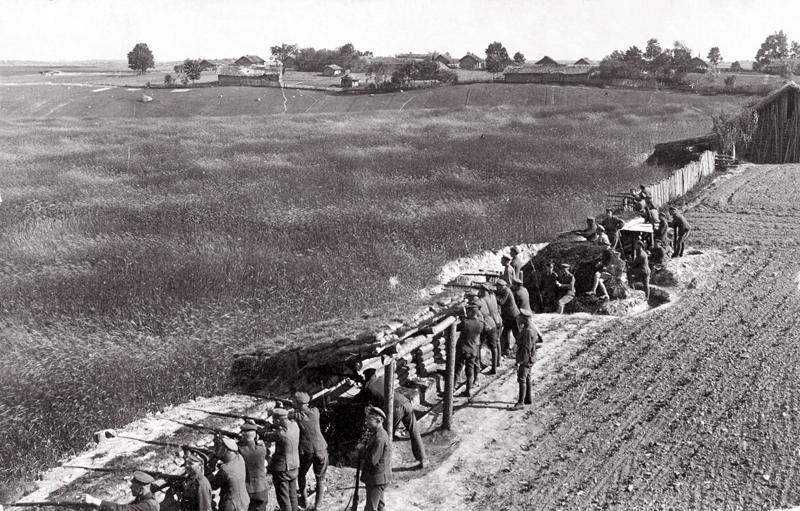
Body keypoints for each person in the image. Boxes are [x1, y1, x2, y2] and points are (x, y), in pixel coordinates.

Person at [354, 368, 427, 469]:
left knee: (386, 436)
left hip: (395, 409)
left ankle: (385, 464)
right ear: (375, 375)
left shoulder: (368, 387)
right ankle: (423, 459)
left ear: (366, 377)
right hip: (406, 402)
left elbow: (357, 399)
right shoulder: (382, 378)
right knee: (413, 431)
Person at [289, 391, 329, 511]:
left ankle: (305, 499)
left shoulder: (296, 415)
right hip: (321, 448)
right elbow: (309, 408)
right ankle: (318, 506)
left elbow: (287, 415)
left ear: (297, 403)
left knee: (301, 474)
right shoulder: (315, 412)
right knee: (320, 478)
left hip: (307, 450)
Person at [260, 408, 300, 511]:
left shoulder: (280, 434)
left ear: (278, 420)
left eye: (274, 420)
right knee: (292, 495)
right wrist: (273, 426)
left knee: (283, 498)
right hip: (294, 466)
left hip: (282, 469)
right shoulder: (294, 425)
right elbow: (282, 427)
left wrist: (259, 428)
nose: (273, 422)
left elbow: (264, 434)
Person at [355, 406, 391, 511]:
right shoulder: (376, 433)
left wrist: (361, 449)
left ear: (379, 420)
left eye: (370, 419)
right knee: (380, 505)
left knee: (370, 508)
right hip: (377, 478)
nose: (367, 422)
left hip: (376, 479)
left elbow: (372, 460)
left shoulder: (380, 438)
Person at [208, 437, 250, 511]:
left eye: (219, 449)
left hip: (231, 506)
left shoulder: (226, 470)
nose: (217, 452)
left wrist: (210, 469)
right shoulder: (239, 458)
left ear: (225, 450)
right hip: (243, 501)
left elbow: (213, 485)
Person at [83, 471, 160, 511]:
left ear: (141, 489)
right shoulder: (146, 500)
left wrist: (94, 500)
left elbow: (123, 509)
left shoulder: (147, 506)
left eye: (133, 486)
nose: (130, 488)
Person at [512, 309, 541, 410]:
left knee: (522, 379)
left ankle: (521, 402)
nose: (519, 318)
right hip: (531, 357)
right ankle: (528, 398)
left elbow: (526, 348)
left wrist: (520, 361)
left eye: (521, 317)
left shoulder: (528, 330)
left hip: (526, 358)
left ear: (525, 318)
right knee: (527, 377)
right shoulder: (531, 326)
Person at [238, 424, 269, 511]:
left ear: (243, 436)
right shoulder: (262, 449)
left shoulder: (241, 451)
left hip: (248, 488)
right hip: (262, 487)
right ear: (255, 436)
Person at [455, 303, 483, 398]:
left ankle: (452, 388)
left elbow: (456, 328)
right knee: (469, 371)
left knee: (457, 369)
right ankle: (468, 390)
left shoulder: (465, 323)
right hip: (473, 350)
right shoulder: (480, 323)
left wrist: (461, 318)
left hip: (463, 349)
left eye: (468, 311)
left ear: (471, 312)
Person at [478, 283, 501, 373]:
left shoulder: (482, 299)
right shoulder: (493, 296)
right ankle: (497, 362)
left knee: (479, 344)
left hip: (489, 321)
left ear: (483, 291)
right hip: (497, 320)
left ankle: (479, 363)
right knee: (496, 342)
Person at [494, 279, 520, 356]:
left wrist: (493, 296)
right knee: (506, 333)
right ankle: (506, 350)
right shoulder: (505, 290)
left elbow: (501, 301)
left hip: (512, 315)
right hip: (509, 316)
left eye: (497, 287)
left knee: (516, 334)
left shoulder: (506, 291)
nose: (496, 288)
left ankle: (521, 349)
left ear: (501, 286)